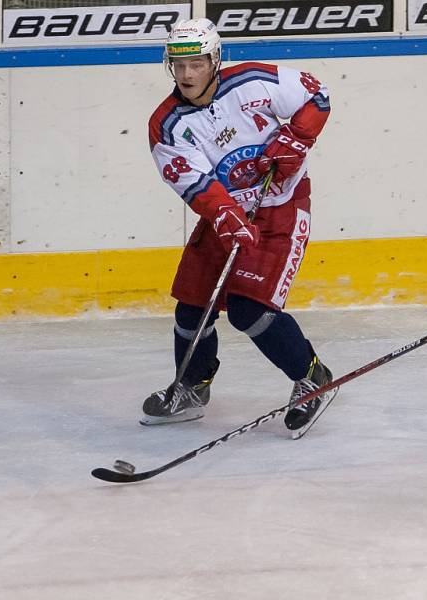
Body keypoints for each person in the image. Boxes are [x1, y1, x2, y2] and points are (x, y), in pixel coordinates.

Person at [143, 18, 336, 430]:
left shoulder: (253, 82)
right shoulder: (167, 123)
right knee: (192, 306)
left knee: (249, 311)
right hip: (225, 216)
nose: (187, 74)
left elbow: (316, 95)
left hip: (280, 208)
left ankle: (313, 378)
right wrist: (225, 215)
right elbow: (193, 180)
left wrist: (296, 138)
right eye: (178, 66)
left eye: (196, 63)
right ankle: (192, 386)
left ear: (214, 59)